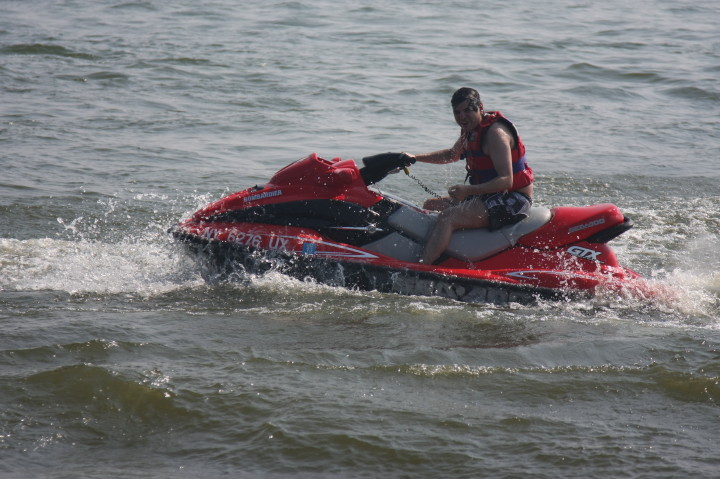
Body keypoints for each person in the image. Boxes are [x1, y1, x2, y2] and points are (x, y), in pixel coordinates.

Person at [405, 87, 534, 264]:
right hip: (488, 196)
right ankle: (446, 255)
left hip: (512, 200)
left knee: (447, 218)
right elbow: (451, 155)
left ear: (480, 108)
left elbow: (506, 181)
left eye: (467, 110)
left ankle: (422, 267)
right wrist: (414, 158)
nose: (461, 117)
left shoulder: (496, 135)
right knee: (431, 205)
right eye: (457, 112)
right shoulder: (471, 129)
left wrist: (468, 190)